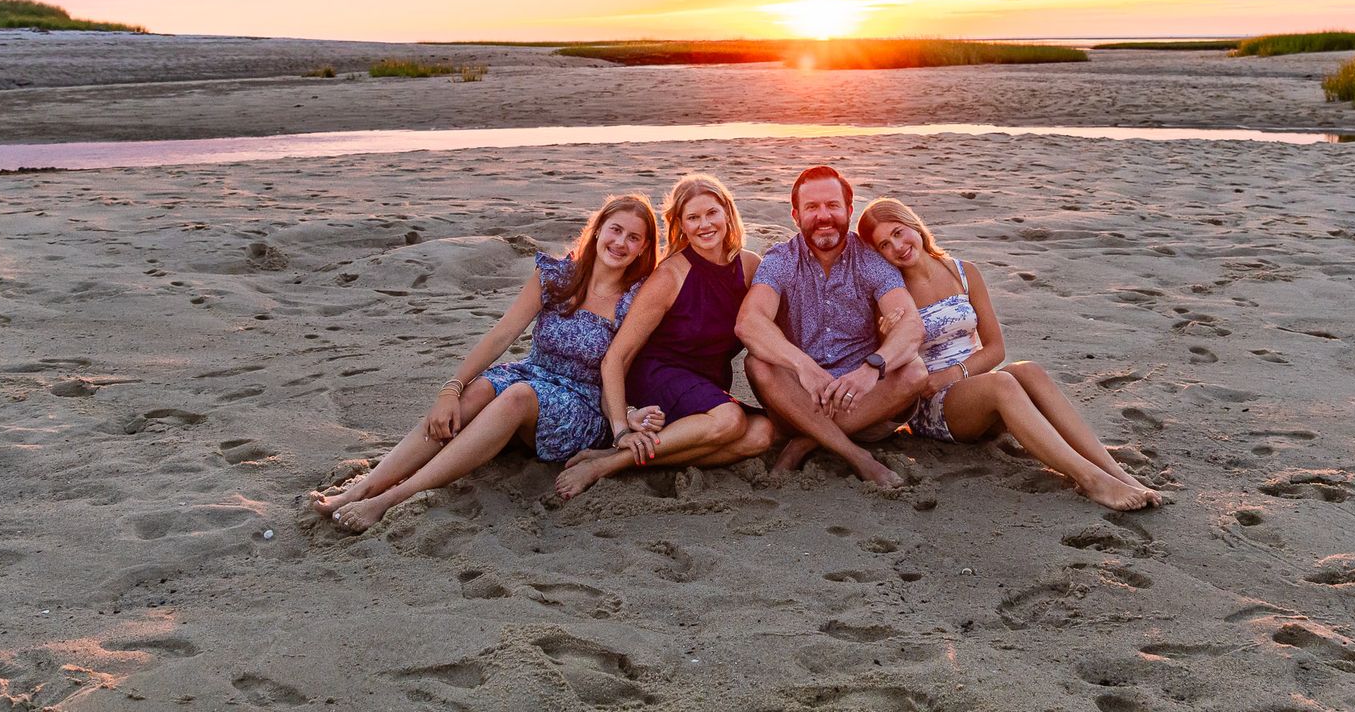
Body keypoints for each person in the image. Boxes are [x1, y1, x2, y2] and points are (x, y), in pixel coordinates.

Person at [310, 194, 665, 531]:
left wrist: (621, 427)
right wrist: (450, 389)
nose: (621, 243)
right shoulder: (556, 276)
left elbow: (614, 367)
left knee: (518, 395)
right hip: (531, 373)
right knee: (479, 389)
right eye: (615, 230)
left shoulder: (635, 300)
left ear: (644, 248)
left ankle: (391, 498)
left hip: (583, 405)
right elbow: (501, 335)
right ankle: (363, 488)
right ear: (599, 228)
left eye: (634, 238)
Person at [856, 197, 1163, 510]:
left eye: (897, 232)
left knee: (1028, 370)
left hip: (972, 385)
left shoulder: (964, 272)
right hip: (935, 406)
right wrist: (886, 331)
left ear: (913, 225)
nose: (897, 246)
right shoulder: (893, 294)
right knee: (1002, 384)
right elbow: (889, 360)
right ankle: (1091, 481)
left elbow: (995, 349)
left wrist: (955, 373)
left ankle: (1113, 470)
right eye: (883, 245)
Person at [555, 174, 776, 498]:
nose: (705, 225)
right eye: (693, 218)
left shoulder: (750, 265)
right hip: (658, 373)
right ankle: (607, 464)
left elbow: (772, 319)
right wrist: (620, 428)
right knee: (730, 421)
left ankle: (621, 460)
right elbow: (616, 356)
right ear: (681, 226)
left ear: (727, 213)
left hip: (705, 382)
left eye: (712, 213)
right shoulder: (670, 275)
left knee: (762, 434)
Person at [735, 165, 928, 488]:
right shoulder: (781, 260)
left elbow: (911, 325)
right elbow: (749, 322)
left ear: (849, 210)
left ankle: (807, 441)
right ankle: (856, 456)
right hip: (798, 397)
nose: (823, 216)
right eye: (812, 207)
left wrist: (871, 369)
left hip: (865, 400)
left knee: (915, 371)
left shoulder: (870, 260)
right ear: (795, 215)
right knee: (758, 364)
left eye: (832, 205)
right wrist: (804, 365)